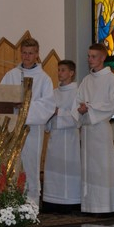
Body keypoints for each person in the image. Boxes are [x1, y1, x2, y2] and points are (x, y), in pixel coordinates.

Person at [0, 38, 56, 205]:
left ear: (37, 54)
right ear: (20, 53)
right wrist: (12, 104)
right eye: (24, 53)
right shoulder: (11, 75)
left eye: (31, 53)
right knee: (12, 165)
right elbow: (0, 97)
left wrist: (25, 107)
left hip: (32, 129)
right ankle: (11, 205)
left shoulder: (44, 79)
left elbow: (48, 105)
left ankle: (31, 206)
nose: (27, 56)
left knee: (31, 166)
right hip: (12, 128)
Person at [73, 43, 114, 215]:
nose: (90, 59)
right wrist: (80, 110)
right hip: (87, 130)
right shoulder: (86, 80)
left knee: (102, 167)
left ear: (103, 58)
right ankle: (90, 205)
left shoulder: (111, 79)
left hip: (101, 128)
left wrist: (90, 108)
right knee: (89, 169)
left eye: (93, 56)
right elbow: (77, 102)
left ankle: (106, 206)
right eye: (89, 56)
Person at [42, 60, 81, 213]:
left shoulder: (77, 92)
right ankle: (52, 200)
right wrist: (49, 115)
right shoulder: (53, 93)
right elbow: (46, 114)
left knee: (69, 168)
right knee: (53, 168)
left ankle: (71, 201)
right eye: (58, 70)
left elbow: (77, 117)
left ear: (71, 73)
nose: (59, 73)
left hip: (70, 137)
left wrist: (59, 112)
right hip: (55, 136)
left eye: (63, 70)